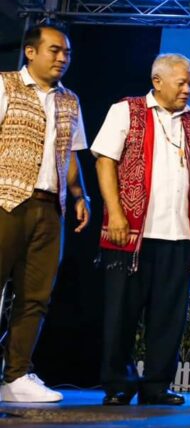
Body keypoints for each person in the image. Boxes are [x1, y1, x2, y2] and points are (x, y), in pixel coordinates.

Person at [91, 53, 190, 406]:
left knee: (169, 316)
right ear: (157, 81)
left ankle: (157, 385)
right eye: (181, 83)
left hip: (178, 234)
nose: (187, 89)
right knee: (121, 314)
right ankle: (118, 383)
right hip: (131, 234)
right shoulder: (126, 110)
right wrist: (115, 213)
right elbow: (105, 161)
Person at [0, 25, 90, 402]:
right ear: (30, 51)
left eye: (67, 53)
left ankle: (16, 376)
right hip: (7, 200)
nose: (62, 58)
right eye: (55, 50)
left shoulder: (69, 100)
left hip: (50, 206)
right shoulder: (5, 85)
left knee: (35, 295)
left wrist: (79, 194)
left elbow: (70, 153)